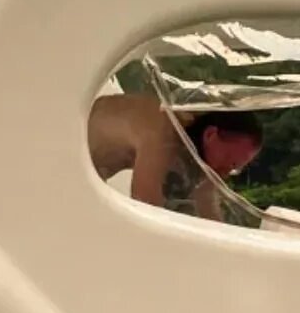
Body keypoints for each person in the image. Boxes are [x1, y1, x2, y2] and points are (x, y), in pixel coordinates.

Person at [87, 93, 264, 221]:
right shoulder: (162, 132)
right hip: (72, 152)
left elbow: (207, 202)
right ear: (210, 135)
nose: (224, 173)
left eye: (234, 169)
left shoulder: (198, 148)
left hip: (87, 171)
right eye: (229, 160)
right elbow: (145, 204)